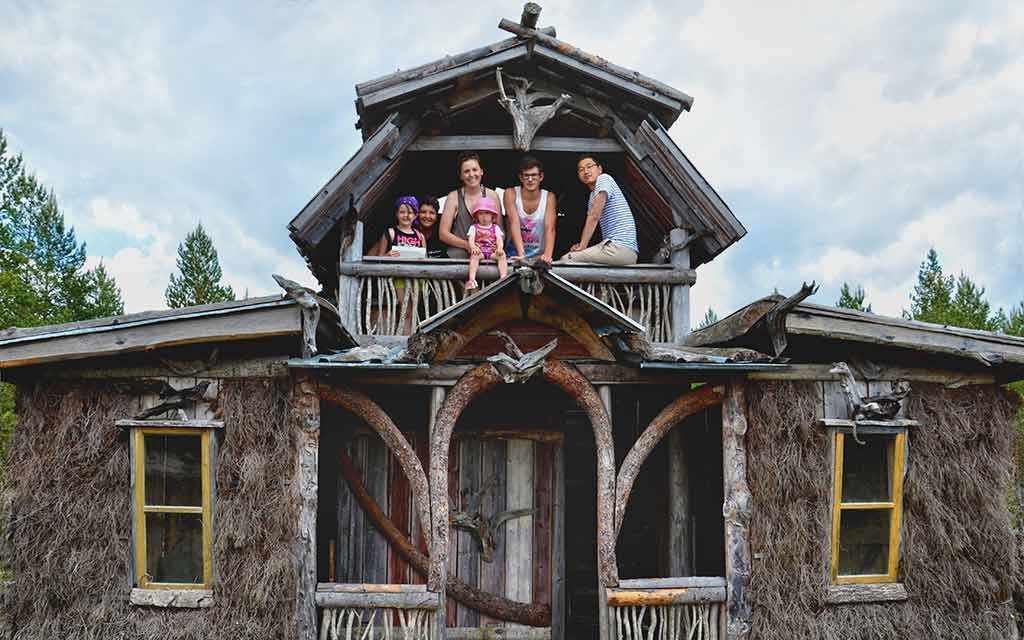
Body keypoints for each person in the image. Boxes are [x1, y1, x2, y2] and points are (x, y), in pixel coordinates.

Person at [558, 154, 638, 265]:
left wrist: (582, 246)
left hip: (620, 248)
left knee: (567, 259)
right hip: (615, 248)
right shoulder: (592, 195)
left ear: (599, 169)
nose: (585, 171)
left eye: (589, 166)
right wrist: (581, 246)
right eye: (581, 169)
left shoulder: (604, 178)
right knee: (575, 258)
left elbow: (594, 217)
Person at [440, 151, 504, 259]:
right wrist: (467, 245)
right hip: (458, 257)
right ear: (461, 176)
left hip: (487, 257)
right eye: (466, 171)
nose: (471, 175)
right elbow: (443, 234)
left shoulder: (492, 195)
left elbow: (500, 229)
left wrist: (497, 245)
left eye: (475, 170)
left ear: (482, 171)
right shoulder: (453, 197)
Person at [504, 155, 556, 263]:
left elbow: (550, 227)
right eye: (526, 176)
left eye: (534, 175)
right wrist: (522, 256)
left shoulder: (549, 197)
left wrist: (547, 256)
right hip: (514, 255)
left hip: (539, 257)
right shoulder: (511, 193)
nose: (530, 179)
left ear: (541, 177)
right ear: (521, 178)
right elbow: (514, 223)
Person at [465, 197, 508, 290]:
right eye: (481, 213)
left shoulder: (495, 228)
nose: (484, 216)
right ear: (476, 216)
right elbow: (471, 239)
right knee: (474, 257)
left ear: (493, 215)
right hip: (479, 250)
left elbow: (499, 239)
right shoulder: (474, 227)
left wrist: (499, 248)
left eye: (487, 213)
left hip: (492, 251)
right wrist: (473, 247)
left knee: (502, 256)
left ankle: (503, 277)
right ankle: (471, 279)